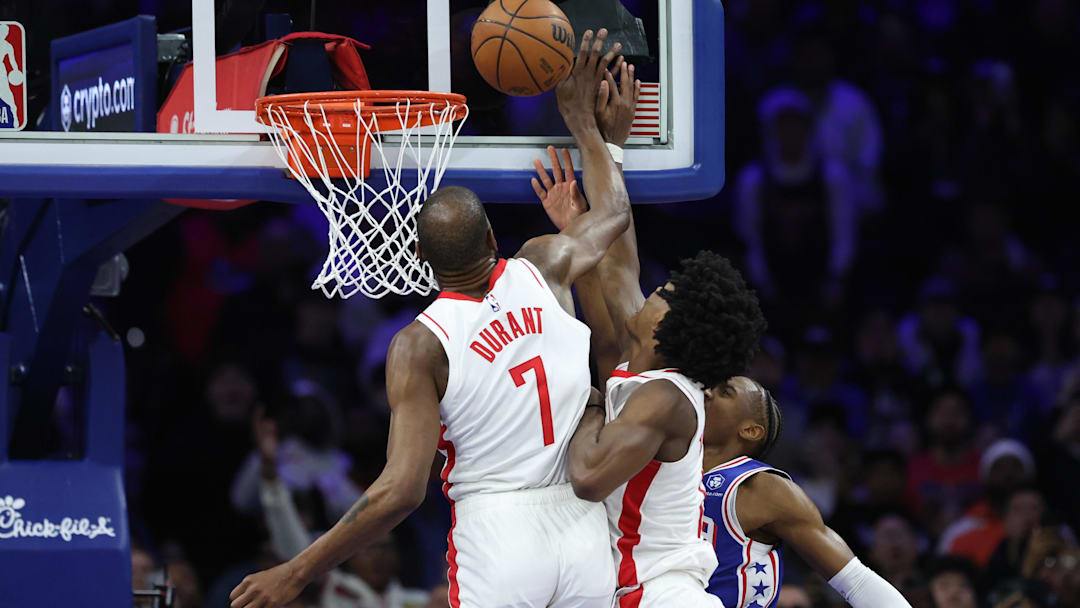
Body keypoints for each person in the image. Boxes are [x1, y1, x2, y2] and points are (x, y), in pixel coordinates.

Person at [231, 29, 631, 608]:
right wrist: (586, 127)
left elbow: (400, 490)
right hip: (582, 524)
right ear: (493, 238)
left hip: (499, 530)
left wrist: (297, 571)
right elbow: (614, 210)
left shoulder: (420, 345)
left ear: (420, 262)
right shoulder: (546, 262)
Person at [533, 78, 767, 606]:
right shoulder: (634, 366)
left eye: (663, 294)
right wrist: (603, 155)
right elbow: (617, 264)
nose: (652, 291)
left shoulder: (667, 396)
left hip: (665, 593)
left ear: (670, 330)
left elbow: (590, 476)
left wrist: (586, 404)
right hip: (624, 590)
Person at [698, 378, 911, 607]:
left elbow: (857, 581)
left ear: (749, 430)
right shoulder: (667, 474)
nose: (707, 393)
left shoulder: (763, 487)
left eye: (726, 393)